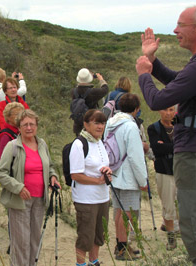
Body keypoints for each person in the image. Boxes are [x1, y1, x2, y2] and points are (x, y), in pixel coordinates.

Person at [136, 6, 196, 265]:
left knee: (193, 218)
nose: (175, 30)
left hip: (195, 153)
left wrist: (144, 74)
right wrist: (153, 63)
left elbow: (158, 100)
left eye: (181, 25)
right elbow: (178, 80)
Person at [0, 109, 61, 266]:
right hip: (20, 201)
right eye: (25, 125)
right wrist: (18, 187)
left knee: (34, 240)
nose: (29, 128)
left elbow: (49, 166)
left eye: (32, 124)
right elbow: (1, 173)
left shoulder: (42, 144)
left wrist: (53, 176)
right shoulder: (13, 146)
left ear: (37, 126)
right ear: (19, 127)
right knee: (21, 242)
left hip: (39, 199)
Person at [104, 93, 147, 261]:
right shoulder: (131, 126)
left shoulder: (110, 123)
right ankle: (122, 249)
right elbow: (136, 157)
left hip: (114, 173)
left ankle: (120, 244)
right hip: (128, 177)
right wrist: (143, 180)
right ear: (136, 109)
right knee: (128, 213)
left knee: (118, 211)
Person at [69, 109, 112, 266]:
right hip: (86, 199)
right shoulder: (79, 144)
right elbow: (75, 175)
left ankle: (94, 262)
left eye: (102, 123)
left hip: (103, 197)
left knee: (98, 235)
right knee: (85, 236)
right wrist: (98, 181)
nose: (100, 126)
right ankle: (81, 264)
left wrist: (107, 172)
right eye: (96, 123)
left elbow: (101, 165)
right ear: (86, 124)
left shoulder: (100, 141)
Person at [147, 106, 178, 250]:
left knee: (183, 204)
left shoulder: (181, 125)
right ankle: (171, 237)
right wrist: (175, 146)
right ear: (159, 111)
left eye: (171, 110)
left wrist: (166, 146)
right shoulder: (154, 128)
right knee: (168, 204)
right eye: (165, 110)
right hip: (164, 171)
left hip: (180, 170)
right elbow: (157, 149)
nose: (168, 113)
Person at [0, 68, 27, 136]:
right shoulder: (2, 89)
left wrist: (12, 80)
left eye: (14, 87)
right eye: (10, 88)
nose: (13, 89)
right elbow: (23, 91)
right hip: (5, 112)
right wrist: (21, 80)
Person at [71, 68, 109, 136]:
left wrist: (86, 78)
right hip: (91, 124)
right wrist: (101, 79)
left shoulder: (73, 91)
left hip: (78, 125)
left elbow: (79, 87)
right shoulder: (92, 92)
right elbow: (105, 89)